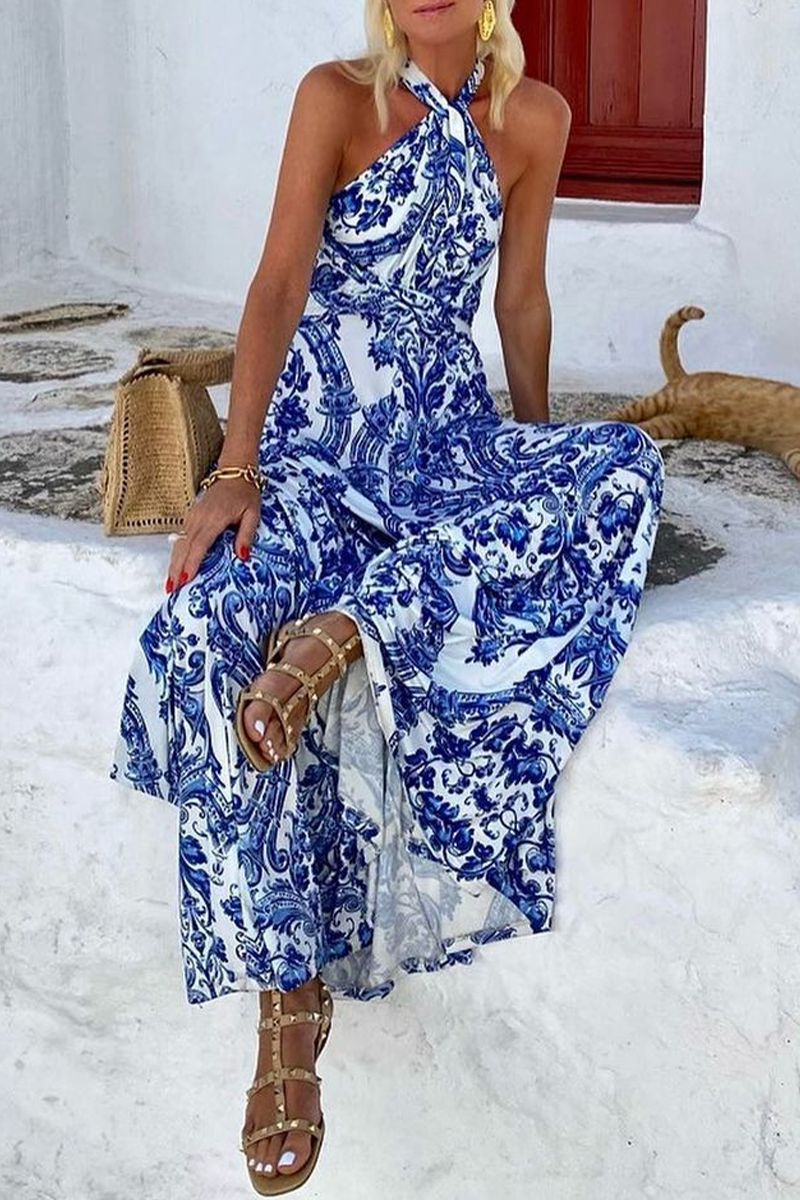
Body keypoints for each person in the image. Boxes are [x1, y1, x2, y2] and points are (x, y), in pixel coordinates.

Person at [109, 0, 665, 1192]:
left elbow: (519, 299)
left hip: (443, 444)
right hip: (318, 449)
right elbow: (277, 282)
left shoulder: (536, 118)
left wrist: (526, 459)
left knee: (619, 467)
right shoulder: (335, 97)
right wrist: (236, 470)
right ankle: (286, 1000)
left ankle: (349, 627)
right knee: (205, 627)